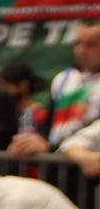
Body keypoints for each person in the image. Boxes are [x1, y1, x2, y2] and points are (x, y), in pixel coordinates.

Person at [10, 19, 100, 155]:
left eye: (91, 44)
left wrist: (52, 147)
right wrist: (32, 142)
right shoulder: (64, 79)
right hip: (58, 161)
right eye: (78, 43)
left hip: (88, 160)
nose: (81, 50)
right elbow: (49, 125)